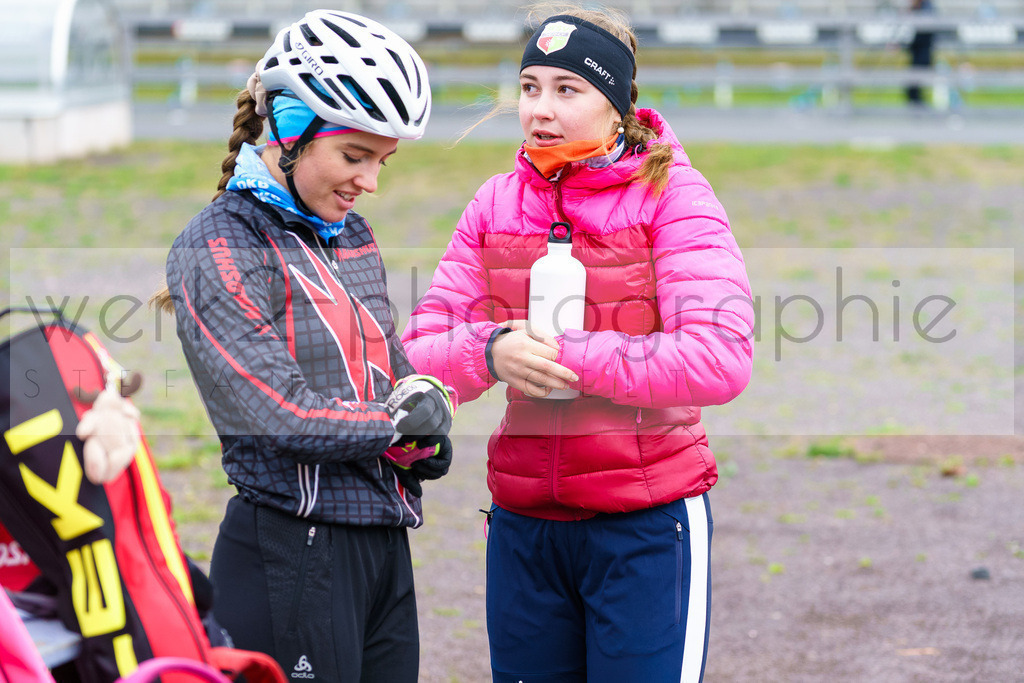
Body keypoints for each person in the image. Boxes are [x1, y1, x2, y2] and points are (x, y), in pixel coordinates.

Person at [401, 4, 754, 682]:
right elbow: (416, 351)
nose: (541, 108)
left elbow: (720, 357)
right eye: (530, 87)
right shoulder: (495, 203)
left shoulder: (674, 196)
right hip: (524, 527)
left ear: (617, 106)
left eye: (567, 89)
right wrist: (491, 350)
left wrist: (568, 356)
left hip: (645, 527)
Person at [158, 10, 454, 682]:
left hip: (383, 550)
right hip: (291, 551)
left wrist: (426, 431)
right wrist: (394, 423)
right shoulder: (219, 243)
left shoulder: (352, 234)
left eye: (382, 160)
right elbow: (280, 414)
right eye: (355, 156)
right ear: (291, 130)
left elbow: (392, 378)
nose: (370, 181)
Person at [905, 0, 936, 106]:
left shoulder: (926, 9)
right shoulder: (922, 8)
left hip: (922, 52)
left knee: (915, 86)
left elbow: (923, 34)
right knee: (913, 87)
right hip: (919, 52)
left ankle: (918, 107)